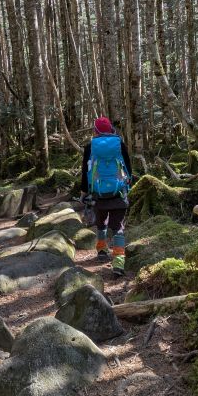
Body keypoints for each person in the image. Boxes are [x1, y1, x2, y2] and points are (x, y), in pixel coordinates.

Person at [80, 117, 132, 278]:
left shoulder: (90, 147)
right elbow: (128, 168)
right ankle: (118, 263)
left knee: (100, 222)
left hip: (98, 193)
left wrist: (84, 192)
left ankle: (102, 250)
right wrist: (127, 186)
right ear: (110, 129)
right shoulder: (119, 144)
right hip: (118, 193)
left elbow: (85, 172)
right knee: (118, 227)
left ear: (96, 131)